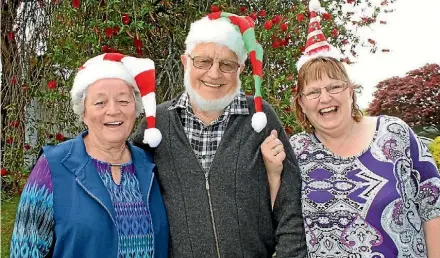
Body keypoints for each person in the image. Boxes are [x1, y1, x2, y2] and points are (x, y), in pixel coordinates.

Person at [262, 1, 440, 257]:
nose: (325, 99)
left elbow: (433, 207)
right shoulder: (297, 150)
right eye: (313, 92)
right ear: (301, 103)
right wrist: (273, 173)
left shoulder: (394, 133)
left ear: (350, 91)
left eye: (334, 87)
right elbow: (280, 220)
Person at [132, 12, 307, 258]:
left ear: (240, 69)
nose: (214, 74)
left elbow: (290, 204)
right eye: (203, 61)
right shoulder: (157, 124)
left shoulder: (259, 117)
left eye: (227, 64)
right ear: (185, 62)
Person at [10, 53, 168, 258]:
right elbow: (24, 251)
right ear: (83, 112)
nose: (113, 111)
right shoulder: (53, 166)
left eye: (123, 101)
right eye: (100, 103)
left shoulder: (151, 165)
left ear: (136, 109)